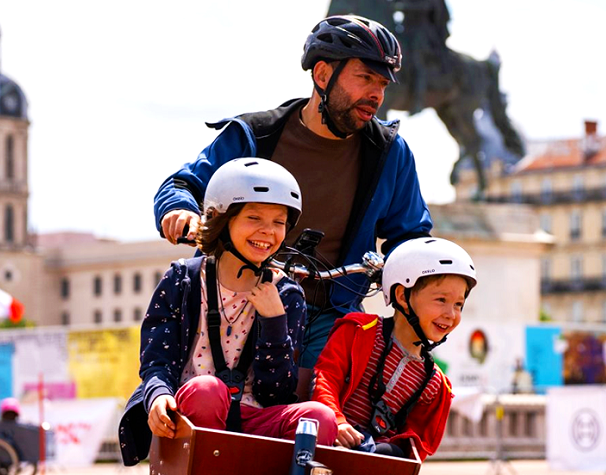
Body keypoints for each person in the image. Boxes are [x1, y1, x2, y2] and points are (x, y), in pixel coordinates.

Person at [154, 15, 432, 371]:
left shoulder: (391, 153)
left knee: (322, 405)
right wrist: (181, 211)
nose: (376, 94)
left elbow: (410, 236)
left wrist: (413, 278)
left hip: (330, 313)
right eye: (364, 78)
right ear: (322, 76)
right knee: (204, 395)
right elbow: (184, 185)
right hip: (238, 296)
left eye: (382, 83)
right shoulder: (256, 135)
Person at [119, 159, 336, 466]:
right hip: (193, 415)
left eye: (279, 222)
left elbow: (276, 394)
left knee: (318, 418)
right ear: (223, 220)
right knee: (207, 390)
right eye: (254, 217)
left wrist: (274, 322)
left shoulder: (287, 295)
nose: (267, 231)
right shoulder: (183, 280)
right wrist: (158, 397)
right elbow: (157, 362)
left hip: (256, 419)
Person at [312, 237, 477, 461]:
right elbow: (326, 380)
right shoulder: (359, 331)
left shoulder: (435, 384)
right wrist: (337, 422)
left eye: (458, 304)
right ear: (402, 296)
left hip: (375, 458)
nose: (451, 314)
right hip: (330, 442)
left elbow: (414, 447)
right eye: (441, 300)